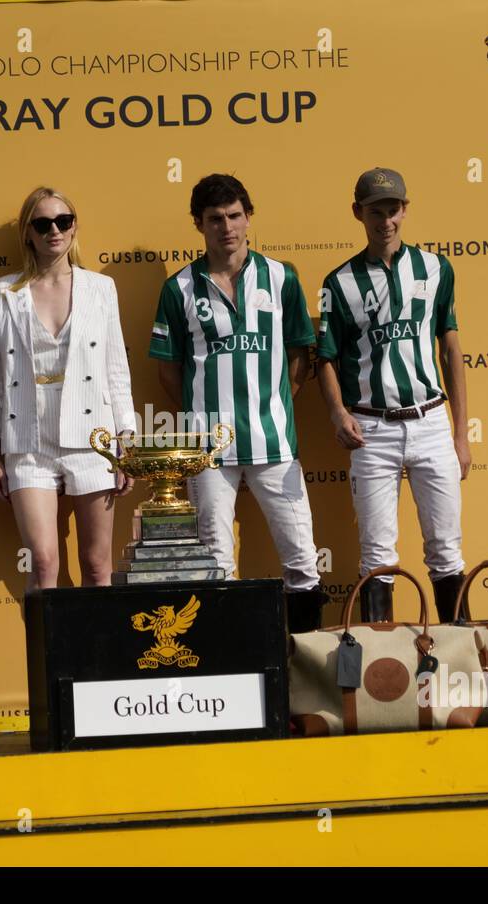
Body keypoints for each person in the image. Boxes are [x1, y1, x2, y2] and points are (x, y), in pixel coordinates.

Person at [149, 173, 327, 631]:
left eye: (234, 216)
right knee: (215, 561)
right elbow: (169, 369)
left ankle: (304, 668)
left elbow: (299, 353)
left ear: (249, 217)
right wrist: (205, 413)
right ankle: (228, 672)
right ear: (198, 224)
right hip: (208, 450)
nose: (226, 227)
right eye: (214, 219)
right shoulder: (179, 288)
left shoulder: (281, 277)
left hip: (274, 443)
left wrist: (276, 401)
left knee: (302, 558)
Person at [316, 168, 471, 624]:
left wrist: (460, 435)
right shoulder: (338, 283)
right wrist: (336, 411)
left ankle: (459, 654)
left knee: (445, 547)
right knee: (377, 554)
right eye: (376, 211)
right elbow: (324, 356)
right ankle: (381, 669)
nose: (386, 220)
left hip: (429, 422)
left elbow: (452, 351)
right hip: (372, 429)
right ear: (357, 213)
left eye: (393, 210)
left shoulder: (436, 268)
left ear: (406, 210)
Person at [0, 187, 137, 591]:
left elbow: (116, 371)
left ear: (74, 228)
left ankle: (99, 655)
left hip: (93, 440)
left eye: (63, 221)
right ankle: (47, 655)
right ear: (28, 233)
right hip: (28, 441)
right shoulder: (1, 294)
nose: (55, 230)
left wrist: (125, 445)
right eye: (43, 223)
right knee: (44, 563)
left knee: (96, 566)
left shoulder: (100, 289)